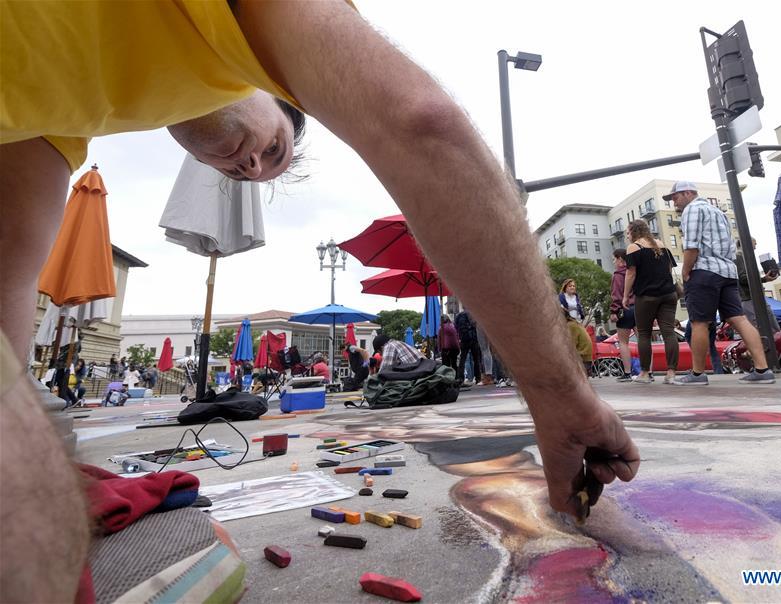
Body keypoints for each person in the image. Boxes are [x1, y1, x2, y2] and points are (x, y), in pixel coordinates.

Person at [1, 4, 639, 599]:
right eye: (272, 148)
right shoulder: (229, 29)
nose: (249, 165)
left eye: (247, 174)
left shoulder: (60, 114)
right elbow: (420, 122)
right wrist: (562, 393)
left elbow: (8, 278)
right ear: (267, 81)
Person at [666, 181, 775, 385]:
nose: (674, 202)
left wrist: (685, 271)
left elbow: (691, 247)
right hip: (727, 272)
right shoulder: (719, 213)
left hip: (704, 270)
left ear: (689, 193)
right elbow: (730, 246)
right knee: (739, 319)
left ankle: (698, 374)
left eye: (676, 197)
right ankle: (762, 368)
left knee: (699, 321)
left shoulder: (692, 210)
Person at [621, 219, 679, 385]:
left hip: (646, 296)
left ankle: (645, 373)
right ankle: (671, 372)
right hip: (668, 294)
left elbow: (631, 274)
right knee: (668, 332)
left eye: (628, 232)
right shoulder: (661, 245)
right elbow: (669, 269)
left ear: (634, 231)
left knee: (644, 333)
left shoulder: (634, 247)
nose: (627, 235)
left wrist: (625, 296)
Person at [735, 238, 780, 331]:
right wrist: (764, 279)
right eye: (754, 244)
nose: (755, 247)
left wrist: (764, 279)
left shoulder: (745, 257)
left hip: (754, 297)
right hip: (750, 299)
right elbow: (743, 278)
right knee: (761, 329)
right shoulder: (739, 256)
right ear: (746, 243)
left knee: (772, 327)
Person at [609, 248, 636, 381]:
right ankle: (648, 372)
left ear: (620, 259)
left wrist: (613, 311)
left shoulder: (618, 275)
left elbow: (616, 295)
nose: (613, 262)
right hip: (640, 308)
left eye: (614, 259)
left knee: (623, 342)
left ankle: (627, 373)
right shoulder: (636, 271)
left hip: (625, 309)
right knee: (644, 340)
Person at [563, 306, 594, 376]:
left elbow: (571, 346)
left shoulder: (571, 326)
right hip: (585, 359)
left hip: (582, 360)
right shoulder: (575, 323)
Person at [454, 308, 481, 386]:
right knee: (476, 359)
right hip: (473, 339)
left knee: (463, 360)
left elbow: (455, 327)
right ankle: (478, 378)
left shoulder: (459, 316)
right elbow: (475, 324)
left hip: (464, 340)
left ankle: (461, 378)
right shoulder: (472, 314)